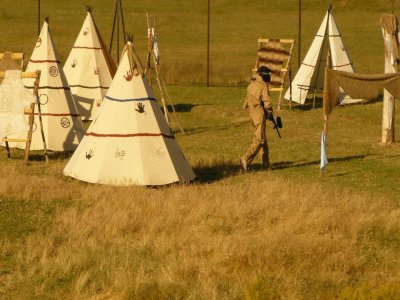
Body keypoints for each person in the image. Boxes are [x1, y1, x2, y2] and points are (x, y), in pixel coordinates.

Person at [240, 66, 274, 172]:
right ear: (264, 75)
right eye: (268, 74)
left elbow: (246, 101)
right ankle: (245, 159)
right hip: (259, 114)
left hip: (252, 115)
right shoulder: (263, 85)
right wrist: (270, 113)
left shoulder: (251, 84)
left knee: (263, 138)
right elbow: (267, 103)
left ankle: (266, 164)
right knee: (259, 140)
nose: (269, 76)